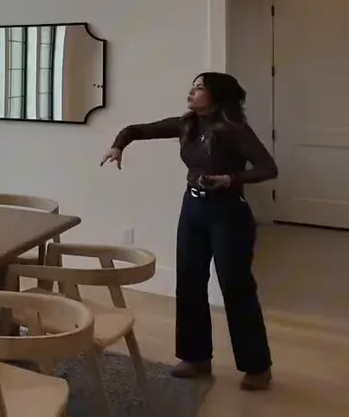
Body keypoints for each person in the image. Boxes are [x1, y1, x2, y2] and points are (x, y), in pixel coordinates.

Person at [100, 72, 277, 391]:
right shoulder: (186, 124)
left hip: (228, 213)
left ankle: (257, 366)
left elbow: (268, 168)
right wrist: (118, 146)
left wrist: (230, 179)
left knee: (235, 286)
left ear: (217, 96)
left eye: (200, 88)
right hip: (193, 210)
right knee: (190, 282)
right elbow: (135, 130)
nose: (192, 92)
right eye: (192, 87)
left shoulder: (234, 129)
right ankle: (196, 358)